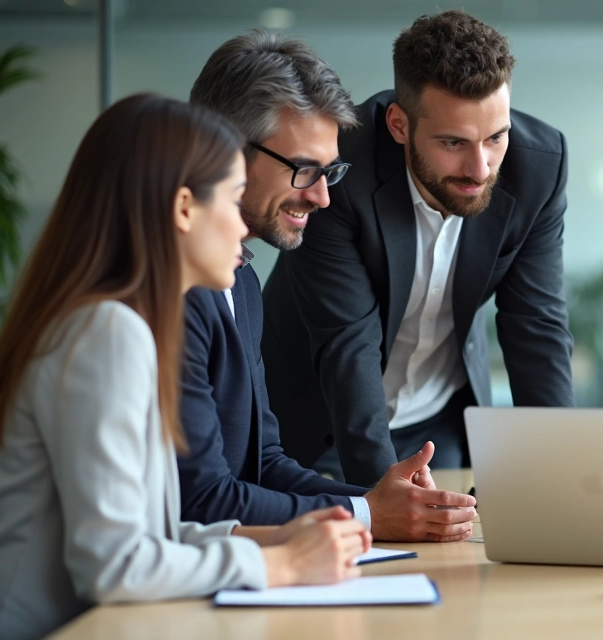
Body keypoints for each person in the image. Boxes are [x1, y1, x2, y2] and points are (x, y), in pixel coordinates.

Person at [0, 94, 369, 640]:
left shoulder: (114, 323)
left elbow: (153, 532)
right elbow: (115, 564)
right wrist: (282, 566)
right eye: (235, 199)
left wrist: (282, 537)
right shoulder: (107, 332)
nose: (244, 232)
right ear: (183, 209)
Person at [179, 30, 476, 542]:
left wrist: (379, 501)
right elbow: (203, 500)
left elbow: (263, 461)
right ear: (222, 149)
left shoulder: (243, 281)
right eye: (303, 170)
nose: (321, 197)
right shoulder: (176, 293)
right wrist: (368, 518)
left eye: (330, 171)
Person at [261, 10, 574, 485]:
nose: (480, 168)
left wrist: (556, 473)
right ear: (399, 124)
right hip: (320, 423)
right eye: (453, 142)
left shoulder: (540, 168)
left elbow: (537, 328)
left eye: (495, 137)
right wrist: (385, 495)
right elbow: (347, 343)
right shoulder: (341, 170)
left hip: (437, 424)